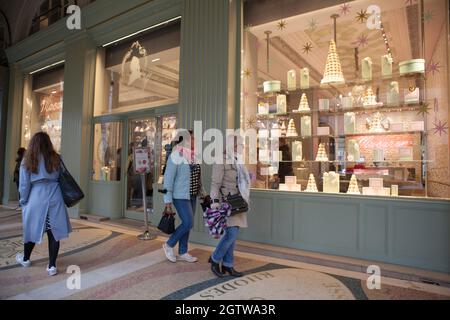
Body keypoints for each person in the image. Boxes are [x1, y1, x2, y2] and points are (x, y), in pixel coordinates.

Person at [15, 132, 72, 276]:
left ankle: (26, 258)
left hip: (36, 196)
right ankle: (52, 266)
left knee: (32, 229)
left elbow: (24, 185)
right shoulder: (56, 158)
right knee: (54, 231)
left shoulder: (28, 159)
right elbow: (61, 177)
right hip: (55, 195)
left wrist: (23, 201)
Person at [209, 133, 251, 278]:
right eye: (239, 145)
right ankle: (214, 259)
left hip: (238, 201)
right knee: (231, 234)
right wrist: (214, 203)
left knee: (232, 235)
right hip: (226, 203)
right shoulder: (220, 160)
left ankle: (228, 265)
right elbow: (215, 184)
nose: (241, 147)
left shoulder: (237, 160)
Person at [162, 129, 201, 263]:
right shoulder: (175, 156)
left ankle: (183, 251)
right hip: (180, 195)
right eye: (192, 139)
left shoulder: (193, 156)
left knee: (188, 224)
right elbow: (168, 179)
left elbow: (197, 177)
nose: (194, 142)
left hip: (193, 195)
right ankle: (168, 244)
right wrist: (167, 200)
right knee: (188, 222)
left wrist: (204, 193)